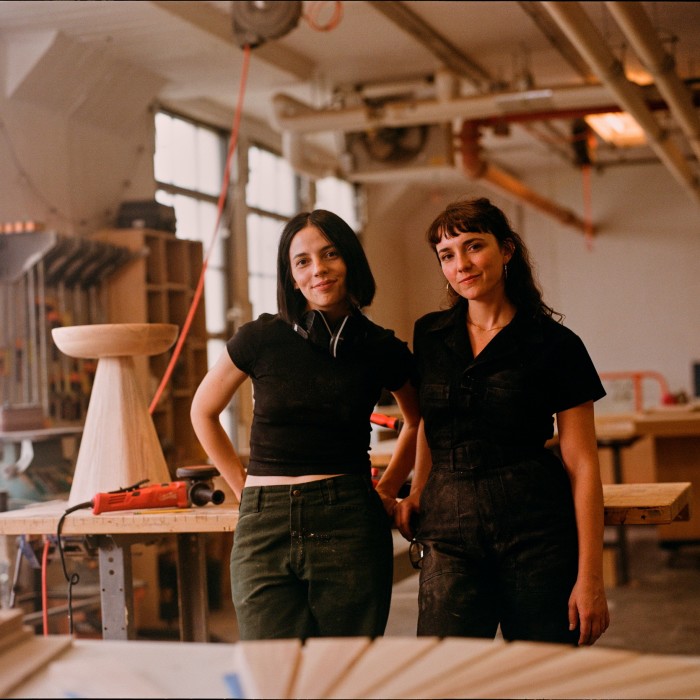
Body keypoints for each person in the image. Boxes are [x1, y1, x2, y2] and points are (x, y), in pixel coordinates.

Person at [190, 209, 419, 641]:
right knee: (272, 673)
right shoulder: (260, 338)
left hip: (349, 520)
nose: (318, 270)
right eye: (303, 261)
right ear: (291, 276)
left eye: (330, 254)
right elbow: (202, 412)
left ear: (350, 260)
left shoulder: (380, 347)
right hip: (263, 527)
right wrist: (243, 488)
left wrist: (389, 487)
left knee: (343, 674)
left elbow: (417, 420)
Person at [394, 196, 609, 647]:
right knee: (443, 676)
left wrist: (591, 577)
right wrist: (417, 489)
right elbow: (433, 424)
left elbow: (583, 463)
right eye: (447, 256)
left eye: (474, 247)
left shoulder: (555, 344)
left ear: (506, 250)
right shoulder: (430, 335)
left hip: (535, 530)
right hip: (448, 529)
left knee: (541, 676)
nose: (462, 265)